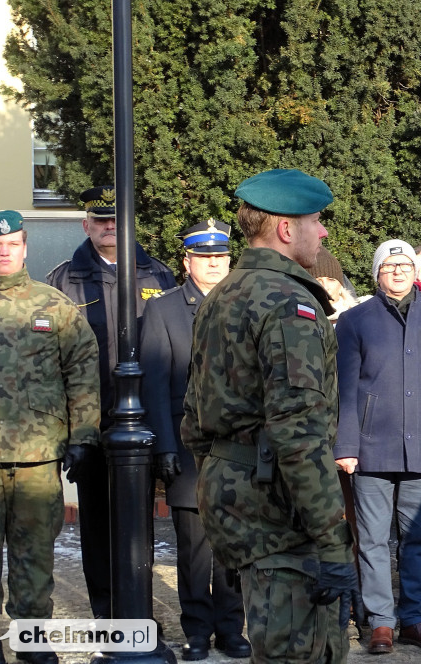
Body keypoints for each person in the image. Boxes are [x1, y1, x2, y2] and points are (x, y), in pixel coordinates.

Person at [180, 169, 357, 663]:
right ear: (285, 228)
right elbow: (299, 433)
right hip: (281, 510)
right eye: (316, 221)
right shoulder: (288, 303)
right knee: (300, 650)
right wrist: (333, 541)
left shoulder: (223, 294)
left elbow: (194, 417)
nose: (323, 232)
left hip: (242, 498)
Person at [0, 211, 100, 664]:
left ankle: (33, 641)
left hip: (37, 457)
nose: (5, 252)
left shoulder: (53, 306)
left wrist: (84, 435)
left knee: (35, 556)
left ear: (24, 248)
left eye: (14, 244)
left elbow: (82, 371)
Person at [46, 185, 176, 618]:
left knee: (139, 525)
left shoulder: (157, 276)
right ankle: (106, 613)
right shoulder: (64, 280)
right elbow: (52, 360)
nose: (109, 227)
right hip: (92, 424)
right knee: (97, 524)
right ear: (86, 225)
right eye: (100, 220)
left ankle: (138, 613)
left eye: (116, 219)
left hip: (145, 420)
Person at [333, 240, 421, 653]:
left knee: (418, 541)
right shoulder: (355, 320)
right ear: (377, 273)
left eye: (405, 265)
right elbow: (345, 389)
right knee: (373, 541)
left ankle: (413, 619)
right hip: (370, 449)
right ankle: (380, 623)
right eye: (389, 266)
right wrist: (346, 445)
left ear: (417, 272)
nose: (397, 272)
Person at [140, 220, 249, 661]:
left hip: (238, 446)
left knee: (234, 543)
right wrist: (164, 446)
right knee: (194, 547)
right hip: (188, 447)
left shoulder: (246, 303)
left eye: (221, 257)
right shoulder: (163, 309)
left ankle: (231, 627)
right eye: (205, 258)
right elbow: (154, 384)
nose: (214, 264)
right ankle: (197, 629)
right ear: (187, 262)